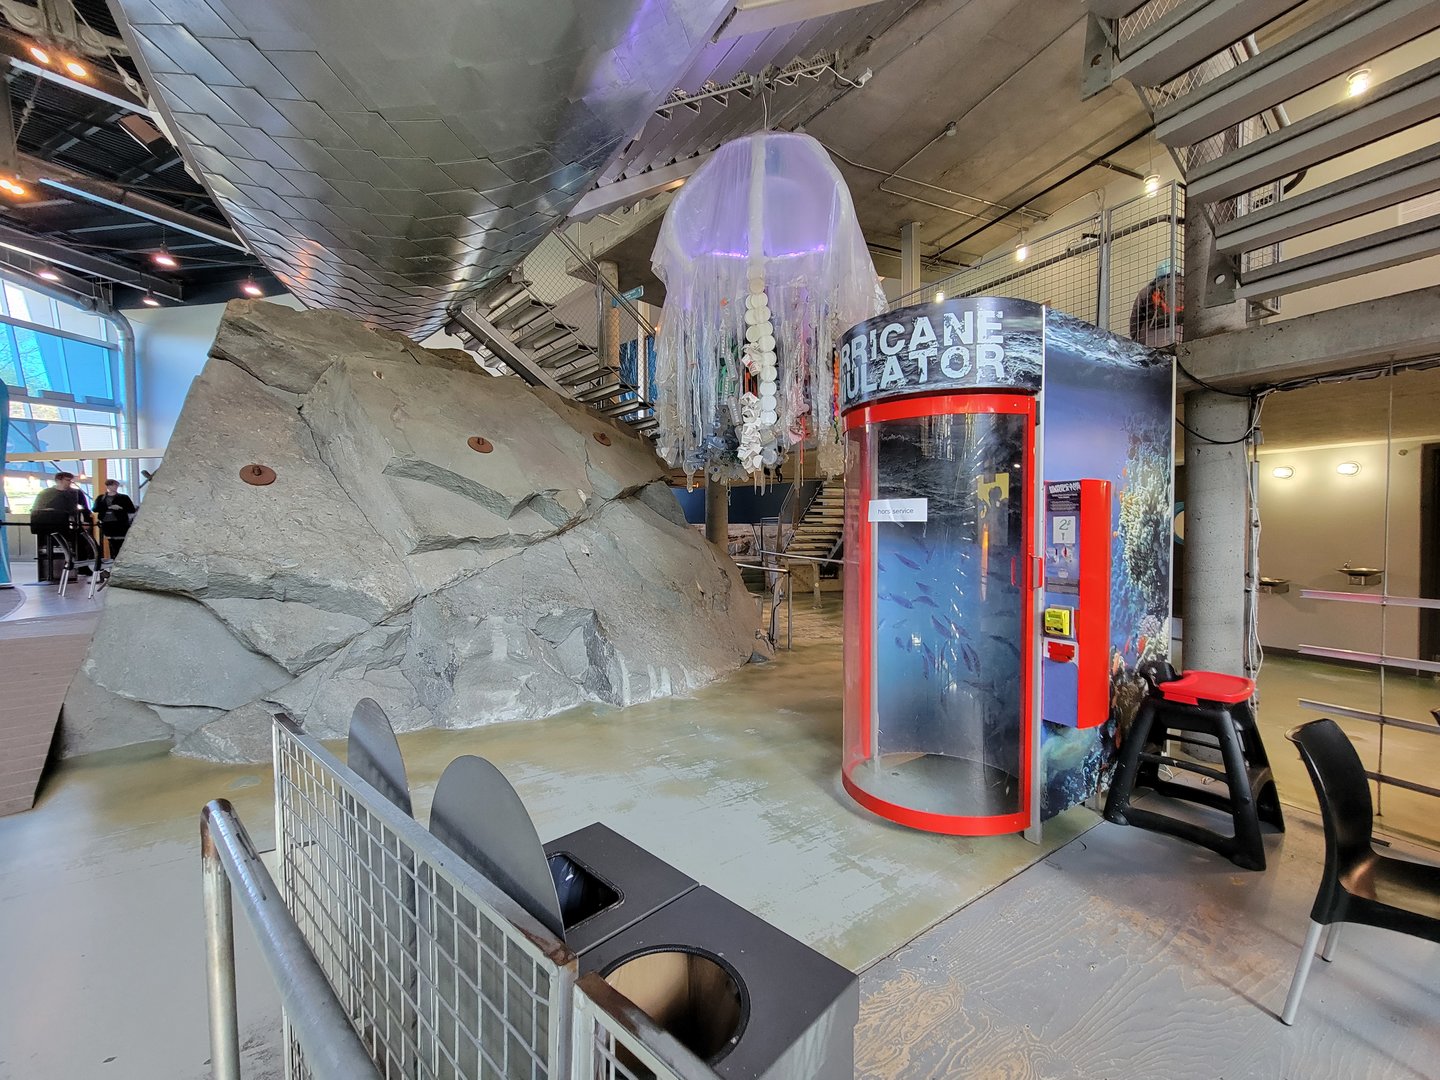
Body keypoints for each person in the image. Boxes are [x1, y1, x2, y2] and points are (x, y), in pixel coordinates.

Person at [30, 472, 97, 577]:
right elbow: (37, 509)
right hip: (51, 524)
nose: (70, 483)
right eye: (67, 480)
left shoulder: (76, 493)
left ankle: (82, 567)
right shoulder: (46, 493)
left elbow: (85, 508)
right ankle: (54, 570)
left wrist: (86, 521)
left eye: (71, 480)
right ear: (59, 480)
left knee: (80, 544)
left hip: (71, 524)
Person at [92, 479, 136, 559]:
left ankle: (120, 558)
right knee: (112, 542)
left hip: (120, 522)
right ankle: (113, 558)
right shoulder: (101, 498)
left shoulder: (124, 497)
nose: (115, 487)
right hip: (107, 523)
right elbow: (95, 509)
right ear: (108, 486)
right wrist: (108, 507)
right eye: (112, 485)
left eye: (116, 485)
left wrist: (121, 508)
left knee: (121, 541)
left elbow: (131, 509)